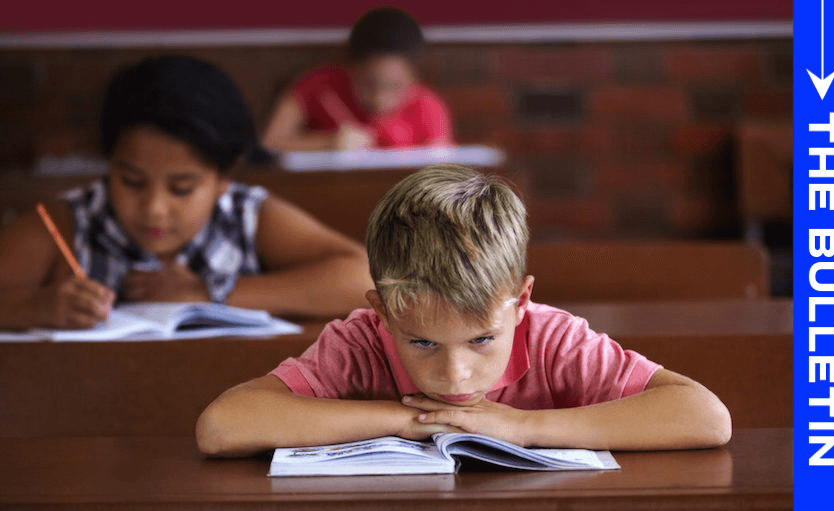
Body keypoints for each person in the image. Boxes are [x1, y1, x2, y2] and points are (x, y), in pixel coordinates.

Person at [195, 164, 732, 457]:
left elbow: (706, 417)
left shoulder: (553, 338)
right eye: (423, 343)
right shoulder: (360, 341)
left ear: (519, 303)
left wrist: (523, 429)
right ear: (381, 312)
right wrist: (411, 421)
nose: (454, 375)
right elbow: (222, 426)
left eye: (481, 340)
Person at [0, 56, 373, 330]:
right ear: (109, 163)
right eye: (131, 181)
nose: (154, 209)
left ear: (223, 178)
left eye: (182, 188)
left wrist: (208, 293)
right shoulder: (69, 221)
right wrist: (32, 305)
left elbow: (363, 280)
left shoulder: (246, 216)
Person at [262, 7, 453, 152]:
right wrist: (327, 142)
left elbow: (442, 169)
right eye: (368, 84)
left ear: (415, 77)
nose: (380, 99)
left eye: (394, 87)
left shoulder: (428, 106)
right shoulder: (317, 87)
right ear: (350, 67)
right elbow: (268, 144)